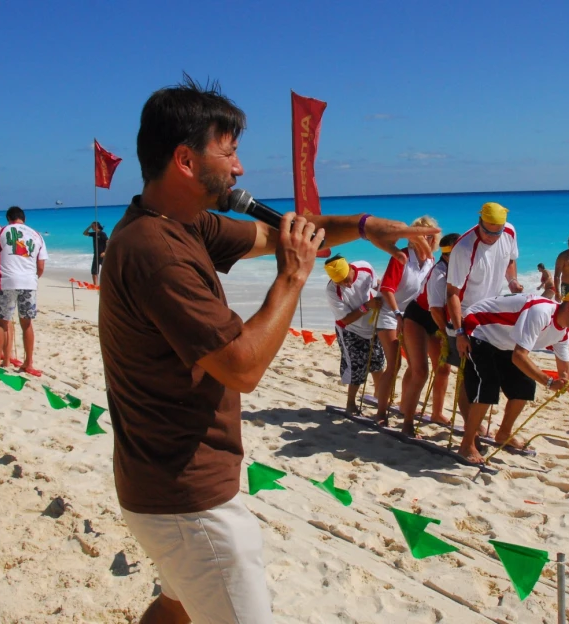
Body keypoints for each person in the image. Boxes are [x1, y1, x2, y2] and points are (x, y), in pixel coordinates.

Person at [97, 78, 435, 624]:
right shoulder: (157, 252)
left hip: (161, 484)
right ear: (185, 160)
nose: (240, 169)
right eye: (228, 152)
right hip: (188, 497)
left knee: (176, 608)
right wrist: (294, 278)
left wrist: (369, 226)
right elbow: (243, 366)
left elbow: (289, 233)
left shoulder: (182, 226)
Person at [456, 287, 569, 464]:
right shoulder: (541, 312)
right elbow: (519, 356)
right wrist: (548, 382)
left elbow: (566, 372)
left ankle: (504, 434)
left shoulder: (564, 332)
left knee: (525, 387)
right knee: (488, 385)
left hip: (505, 341)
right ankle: (466, 444)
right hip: (478, 326)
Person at [372, 216, 438, 422]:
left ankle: (403, 405)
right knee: (394, 364)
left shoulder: (431, 262)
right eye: (421, 234)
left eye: (430, 235)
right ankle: (381, 413)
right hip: (390, 313)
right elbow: (387, 289)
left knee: (414, 365)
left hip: (412, 317)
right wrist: (397, 314)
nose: (426, 238)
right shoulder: (401, 256)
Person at [447, 202, 522, 370]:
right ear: (479, 221)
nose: (492, 237)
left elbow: (510, 259)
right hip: (466, 316)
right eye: (487, 231)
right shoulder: (463, 248)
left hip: (492, 312)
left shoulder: (509, 231)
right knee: (469, 378)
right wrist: (459, 333)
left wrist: (512, 281)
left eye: (497, 233)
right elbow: (452, 293)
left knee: (492, 372)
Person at [398, 233, 459, 437]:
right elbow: (435, 310)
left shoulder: (461, 269)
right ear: (447, 254)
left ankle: (437, 413)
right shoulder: (439, 274)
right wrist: (449, 336)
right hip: (419, 317)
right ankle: (407, 421)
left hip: (438, 319)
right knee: (420, 371)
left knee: (443, 369)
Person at [0, 206, 47, 376]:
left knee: (0, 321)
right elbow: (41, 266)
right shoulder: (37, 235)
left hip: (6, 280)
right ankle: (28, 363)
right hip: (29, 281)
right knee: (26, 323)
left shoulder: (1, 232)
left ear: (8, 219)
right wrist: (33, 278)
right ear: (24, 218)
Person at [325, 254, 386, 415]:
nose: (348, 284)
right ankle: (350, 403)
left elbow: (376, 285)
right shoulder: (332, 290)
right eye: (342, 282)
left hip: (371, 325)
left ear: (351, 268)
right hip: (349, 330)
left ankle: (379, 396)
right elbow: (345, 320)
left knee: (378, 363)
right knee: (357, 368)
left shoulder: (364, 267)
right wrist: (367, 306)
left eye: (347, 278)